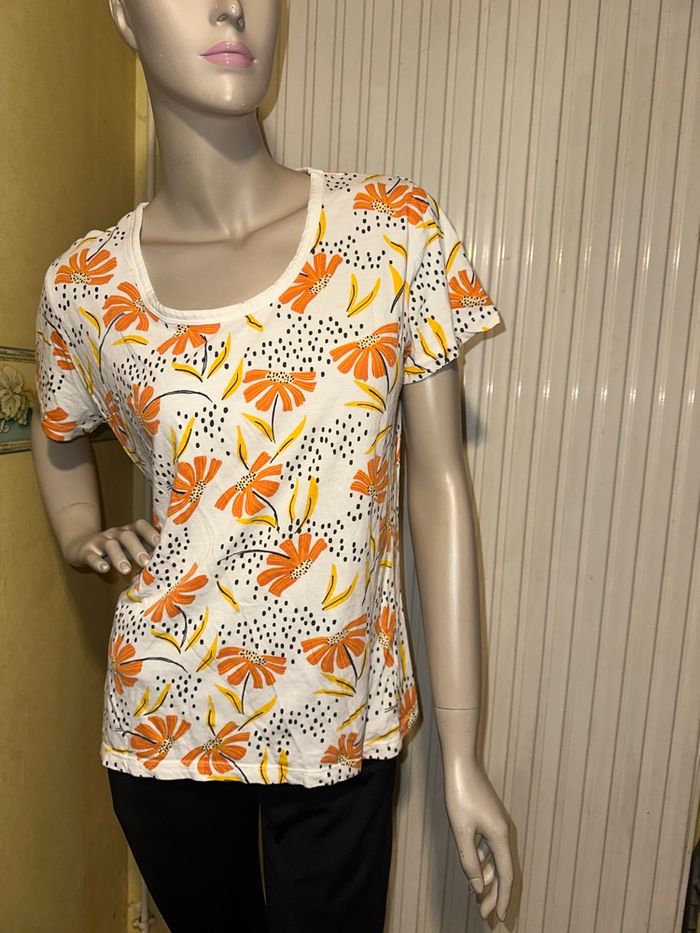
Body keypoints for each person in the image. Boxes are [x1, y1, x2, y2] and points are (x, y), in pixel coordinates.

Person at [31, 1, 514, 929]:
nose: (230, 7)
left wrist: (462, 752)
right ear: (123, 15)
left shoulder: (392, 232)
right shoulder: (84, 288)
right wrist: (81, 531)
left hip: (338, 716)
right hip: (167, 721)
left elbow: (439, 487)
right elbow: (56, 435)